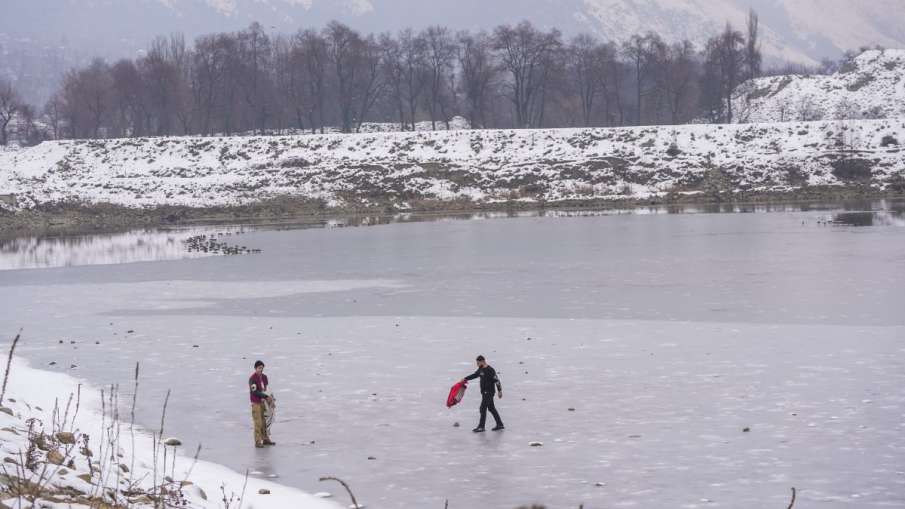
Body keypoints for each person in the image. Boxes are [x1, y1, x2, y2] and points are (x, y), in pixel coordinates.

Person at [461, 355, 504, 432]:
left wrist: (499, 391)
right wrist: (465, 378)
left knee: (482, 408)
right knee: (491, 408)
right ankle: (500, 424)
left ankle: (481, 426)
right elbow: (475, 375)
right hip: (484, 392)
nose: (477, 364)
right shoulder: (480, 369)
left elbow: (496, 380)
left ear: (482, 361)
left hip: (489, 392)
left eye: (478, 363)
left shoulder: (490, 370)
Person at [249, 360, 276, 448]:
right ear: (255, 368)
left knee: (265, 422)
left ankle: (265, 439)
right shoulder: (252, 378)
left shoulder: (264, 377)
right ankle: (257, 441)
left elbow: (267, 389)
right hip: (256, 403)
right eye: (259, 368)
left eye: (262, 368)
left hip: (264, 402)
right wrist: (265, 396)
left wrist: (271, 399)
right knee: (258, 422)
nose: (261, 369)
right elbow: (255, 392)